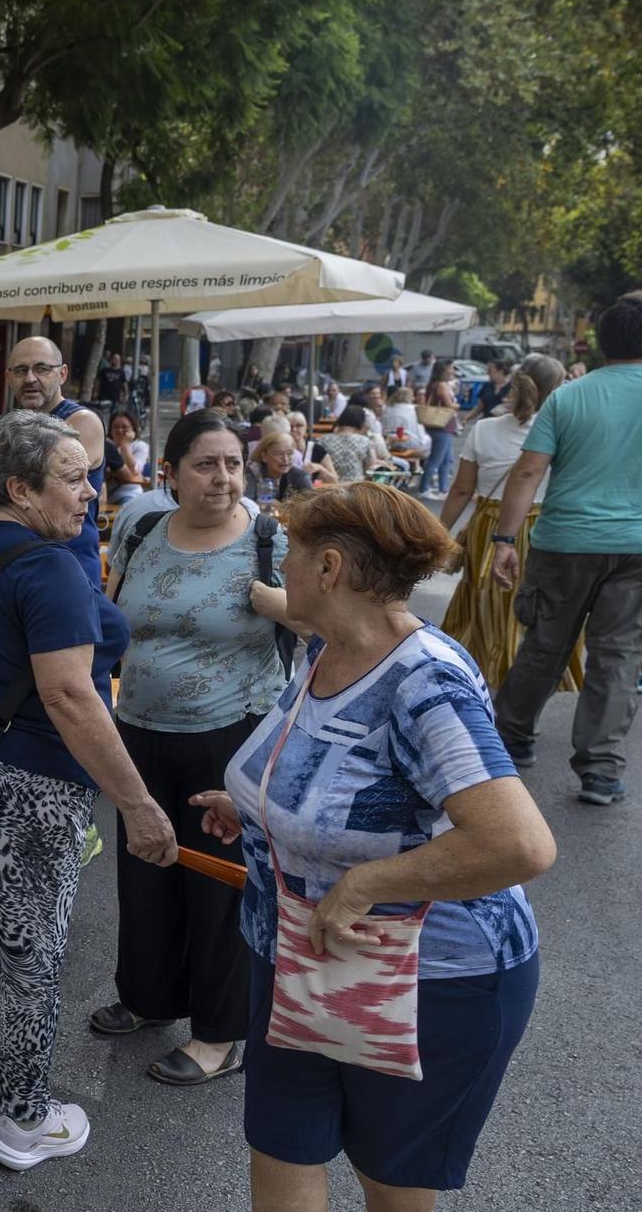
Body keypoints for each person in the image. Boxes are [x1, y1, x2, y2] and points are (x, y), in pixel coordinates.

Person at [196, 482, 554, 1212]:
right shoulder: (326, 648)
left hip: (429, 976)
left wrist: (363, 883)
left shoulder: (425, 681)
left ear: (328, 567)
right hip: (299, 952)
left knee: (389, 1181)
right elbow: (329, 773)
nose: (279, 571)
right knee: (281, 1144)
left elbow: (519, 843)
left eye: (288, 554)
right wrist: (261, 812)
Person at [0, 411, 175, 1164]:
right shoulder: (48, 567)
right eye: (74, 478)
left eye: (92, 475)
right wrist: (139, 806)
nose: (92, 493)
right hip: (37, 787)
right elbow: (72, 696)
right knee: (30, 950)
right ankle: (24, 1118)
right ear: (20, 487)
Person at [91, 410, 293, 1087]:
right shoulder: (142, 528)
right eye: (207, 464)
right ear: (169, 473)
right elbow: (110, 609)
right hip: (140, 726)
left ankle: (219, 1031)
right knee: (146, 867)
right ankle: (149, 996)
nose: (224, 477)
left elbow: (323, 623)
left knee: (217, 880)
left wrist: (278, 603)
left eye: (234, 462)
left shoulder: (269, 540)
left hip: (231, 733)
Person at [490, 291, 642, 806]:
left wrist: (505, 539)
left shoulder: (569, 396)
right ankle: (600, 769)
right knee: (618, 655)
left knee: (547, 643)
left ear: (600, 343)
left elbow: (529, 471)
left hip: (565, 542)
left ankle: (510, 737)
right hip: (637, 548)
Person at [438, 356, 578, 694]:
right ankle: (525, 692)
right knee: (538, 608)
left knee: (482, 604)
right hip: (547, 526)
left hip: (490, 526)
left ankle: (480, 681)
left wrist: (438, 533)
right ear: (557, 389)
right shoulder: (565, 431)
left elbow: (461, 489)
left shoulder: (484, 428)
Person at [0, 336, 107, 587]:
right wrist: (34, 501)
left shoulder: (83, 422)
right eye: (20, 370)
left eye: (42, 368)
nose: (30, 378)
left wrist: (2, 502)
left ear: (62, 374)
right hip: (12, 571)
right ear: (8, 378)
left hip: (71, 571)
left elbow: (50, 501)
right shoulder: (2, 429)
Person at [416, 360, 461, 497]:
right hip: (442, 426)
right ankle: (424, 489)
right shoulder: (442, 385)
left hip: (441, 426)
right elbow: (449, 405)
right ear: (445, 370)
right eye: (451, 368)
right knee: (436, 459)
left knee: (447, 460)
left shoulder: (434, 384)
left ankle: (443, 489)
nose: (453, 371)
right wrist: (456, 405)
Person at [251, 431, 317, 504]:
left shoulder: (300, 476)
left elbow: (312, 506)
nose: (285, 459)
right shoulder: (253, 473)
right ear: (264, 456)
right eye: (279, 454)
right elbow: (244, 503)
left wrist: (281, 507)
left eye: (290, 453)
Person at [104, 410, 150, 507]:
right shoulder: (106, 445)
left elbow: (135, 470)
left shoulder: (140, 446)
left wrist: (125, 445)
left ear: (133, 428)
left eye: (124, 427)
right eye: (115, 427)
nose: (120, 430)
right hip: (106, 494)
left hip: (128, 493)